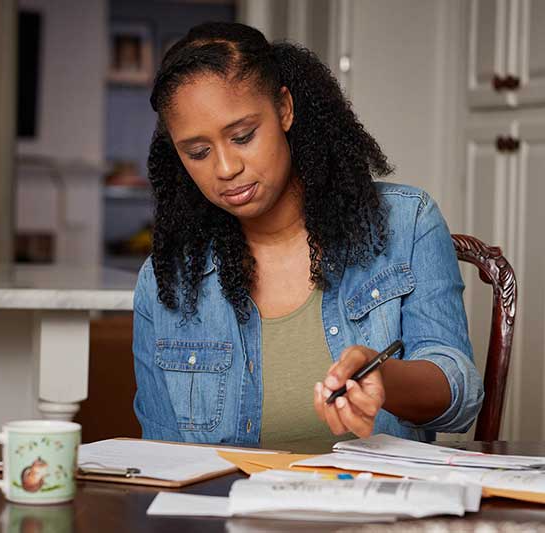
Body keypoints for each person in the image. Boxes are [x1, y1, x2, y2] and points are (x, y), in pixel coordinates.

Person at [132, 21, 483, 450]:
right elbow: (161, 455)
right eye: (198, 152)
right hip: (225, 513)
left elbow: (460, 397)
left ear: (284, 108)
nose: (225, 168)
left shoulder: (406, 224)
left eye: (243, 136)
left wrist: (383, 377)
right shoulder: (165, 280)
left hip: (372, 509)